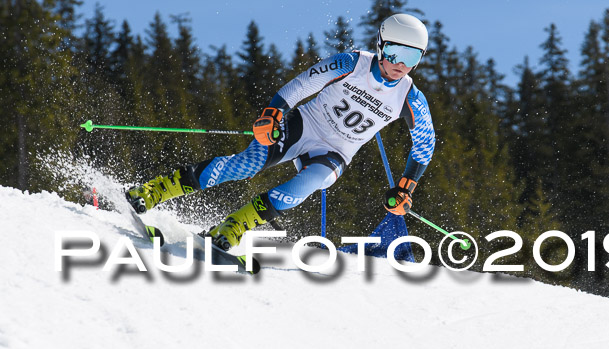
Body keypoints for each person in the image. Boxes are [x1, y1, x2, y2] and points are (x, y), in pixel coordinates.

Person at [127, 13, 436, 251]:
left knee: (307, 186)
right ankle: (155, 190)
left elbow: (425, 145)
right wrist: (273, 114)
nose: (400, 65)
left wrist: (406, 186)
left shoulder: (410, 98)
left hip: (335, 152)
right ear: (381, 45)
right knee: (245, 165)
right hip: (304, 125)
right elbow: (303, 84)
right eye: (395, 52)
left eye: (412, 57)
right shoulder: (352, 63)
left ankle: (232, 227)